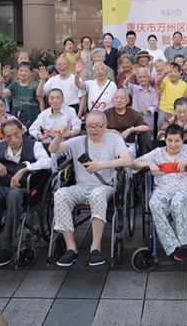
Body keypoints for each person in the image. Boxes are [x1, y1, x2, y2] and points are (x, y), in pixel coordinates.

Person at [49, 111, 132, 267]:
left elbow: (127, 160)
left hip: (104, 187)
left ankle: (95, 247)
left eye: (97, 126)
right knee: (60, 194)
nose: (93, 129)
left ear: (105, 125)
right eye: (89, 126)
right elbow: (53, 149)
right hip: (81, 187)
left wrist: (101, 165)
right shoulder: (79, 141)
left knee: (97, 194)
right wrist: (59, 136)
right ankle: (71, 247)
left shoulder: (114, 140)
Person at [0, 119, 52, 266]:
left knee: (14, 195)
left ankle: (7, 243)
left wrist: (25, 169)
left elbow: (47, 162)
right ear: (3, 137)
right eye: (8, 136)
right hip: (2, 186)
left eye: (16, 134)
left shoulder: (34, 146)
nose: (13, 139)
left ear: (22, 132)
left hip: (25, 188)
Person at [133, 124, 187, 263]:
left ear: (182, 140)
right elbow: (134, 164)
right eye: (170, 140)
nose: (173, 144)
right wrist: (150, 164)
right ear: (165, 139)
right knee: (154, 203)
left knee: (177, 203)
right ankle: (173, 247)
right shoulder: (158, 153)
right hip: (163, 190)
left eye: (177, 141)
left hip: (184, 189)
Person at [0, 62, 44, 128]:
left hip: (32, 120)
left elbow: (41, 101)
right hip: (16, 120)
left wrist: (42, 118)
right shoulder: (14, 84)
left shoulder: (35, 85)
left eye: (26, 71)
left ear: (31, 73)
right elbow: (1, 95)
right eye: (21, 71)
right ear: (17, 72)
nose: (23, 73)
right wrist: (0, 84)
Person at [156, 63, 187, 128]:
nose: (173, 74)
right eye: (170, 72)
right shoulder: (165, 81)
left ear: (180, 73)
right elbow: (157, 83)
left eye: (175, 72)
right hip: (165, 111)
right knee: (162, 131)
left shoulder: (184, 84)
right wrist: (164, 73)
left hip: (178, 113)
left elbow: (184, 99)